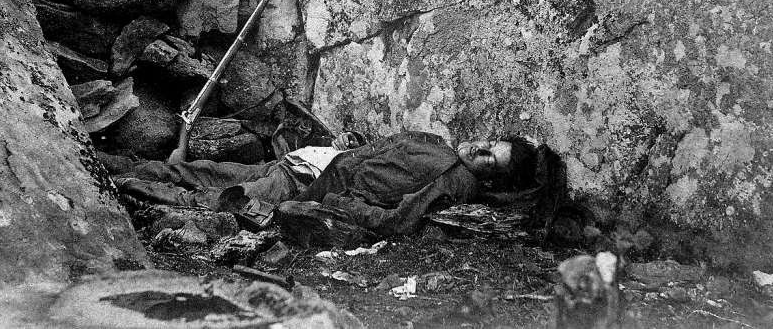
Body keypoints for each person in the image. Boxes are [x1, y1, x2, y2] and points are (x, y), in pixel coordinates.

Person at [106, 129, 542, 238]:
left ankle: (101, 182)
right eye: (490, 142)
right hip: (307, 162)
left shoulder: (453, 179)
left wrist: (344, 204)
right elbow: (379, 156)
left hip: (304, 188)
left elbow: (396, 221)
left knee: (202, 196)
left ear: (488, 177)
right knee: (195, 169)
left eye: (490, 159)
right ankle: (88, 157)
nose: (480, 149)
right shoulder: (437, 143)